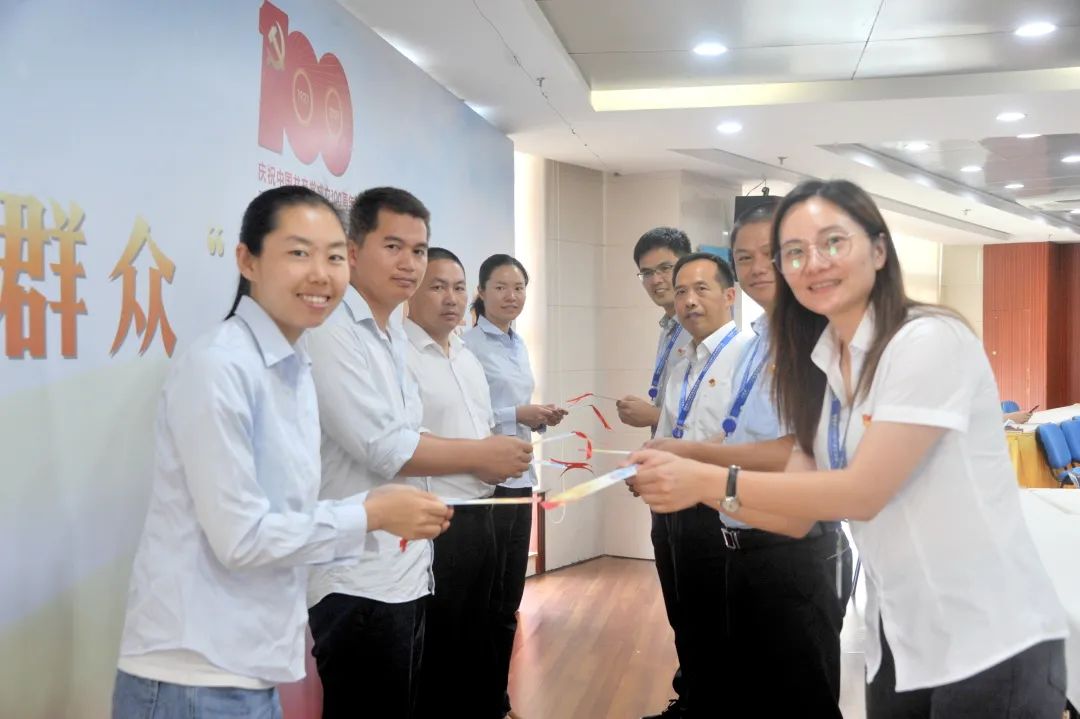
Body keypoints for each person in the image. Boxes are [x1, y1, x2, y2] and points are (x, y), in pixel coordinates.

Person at [630, 179, 1068, 718]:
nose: (811, 263)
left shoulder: (926, 338)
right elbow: (796, 505)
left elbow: (862, 493)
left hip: (987, 638)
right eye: (794, 251)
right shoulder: (826, 360)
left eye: (832, 242)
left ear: (879, 250)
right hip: (900, 634)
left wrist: (701, 479)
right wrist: (681, 475)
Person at [111, 186, 452, 719]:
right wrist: (370, 514)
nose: (320, 274)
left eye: (333, 257)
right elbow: (241, 537)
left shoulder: (290, 366)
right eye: (298, 253)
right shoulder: (220, 365)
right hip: (192, 676)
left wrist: (375, 515)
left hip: (247, 668)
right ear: (248, 260)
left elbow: (286, 514)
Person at [305, 189, 533, 719]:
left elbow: (406, 434)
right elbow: (384, 446)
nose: (408, 263)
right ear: (353, 251)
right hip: (357, 571)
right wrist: (479, 456)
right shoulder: (333, 331)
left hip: (407, 560)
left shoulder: (386, 335)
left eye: (418, 250)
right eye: (393, 247)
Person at [645, 200, 849, 717]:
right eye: (744, 256)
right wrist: (681, 456)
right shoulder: (761, 340)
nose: (759, 267)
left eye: (772, 253)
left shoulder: (818, 338)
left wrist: (694, 461)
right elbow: (744, 435)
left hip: (796, 549)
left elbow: (800, 452)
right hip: (743, 545)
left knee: (801, 700)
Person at [462, 253, 566, 719]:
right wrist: (516, 414)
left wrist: (538, 418)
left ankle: (496, 699)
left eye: (519, 287)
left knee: (507, 600)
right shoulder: (467, 346)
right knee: (482, 602)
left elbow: (514, 408)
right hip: (488, 484)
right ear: (481, 292)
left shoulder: (516, 342)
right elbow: (469, 415)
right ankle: (476, 700)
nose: (511, 296)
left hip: (522, 478)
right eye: (501, 287)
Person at [404, 247, 501, 718]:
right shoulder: (399, 355)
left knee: (477, 634)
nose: (451, 298)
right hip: (435, 520)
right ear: (411, 292)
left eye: (459, 288)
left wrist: (497, 456)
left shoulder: (465, 356)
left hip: (483, 512)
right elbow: (403, 445)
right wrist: (481, 457)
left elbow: (481, 428)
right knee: (439, 645)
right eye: (438, 287)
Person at [615, 227, 693, 719]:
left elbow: (708, 420)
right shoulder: (669, 328)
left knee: (698, 602)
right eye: (647, 272)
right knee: (679, 599)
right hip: (667, 478)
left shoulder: (703, 332)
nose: (657, 279)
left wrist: (654, 415)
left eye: (666, 267)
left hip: (697, 487)